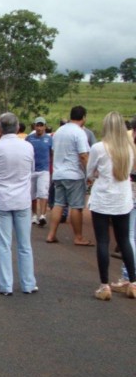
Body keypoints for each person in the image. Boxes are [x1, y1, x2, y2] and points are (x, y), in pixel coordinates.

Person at [0, 112, 37, 296]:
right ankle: (28, 283)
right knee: (25, 244)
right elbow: (31, 170)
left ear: (0, 127)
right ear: (17, 127)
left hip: (2, 199)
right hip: (22, 200)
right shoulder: (28, 147)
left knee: (3, 244)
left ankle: (6, 285)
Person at [87, 111, 136, 300]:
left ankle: (104, 285)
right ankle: (132, 282)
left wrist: (97, 175)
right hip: (123, 199)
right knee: (124, 240)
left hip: (102, 199)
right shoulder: (129, 148)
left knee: (103, 241)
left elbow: (90, 172)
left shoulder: (99, 147)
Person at [45, 106, 94, 246]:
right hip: (74, 174)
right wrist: (89, 173)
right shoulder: (79, 133)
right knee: (76, 206)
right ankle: (78, 237)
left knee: (59, 204)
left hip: (58, 173)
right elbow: (84, 155)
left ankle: (51, 234)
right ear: (83, 117)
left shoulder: (60, 131)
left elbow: (53, 151)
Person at [25, 117, 53, 226]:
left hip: (44, 170)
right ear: (34, 126)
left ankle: (43, 215)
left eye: (41, 125)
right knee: (32, 194)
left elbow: (52, 153)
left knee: (43, 193)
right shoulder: (29, 138)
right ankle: (34, 215)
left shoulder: (49, 139)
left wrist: (53, 167)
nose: (39, 128)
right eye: (38, 125)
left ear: (45, 126)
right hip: (31, 170)